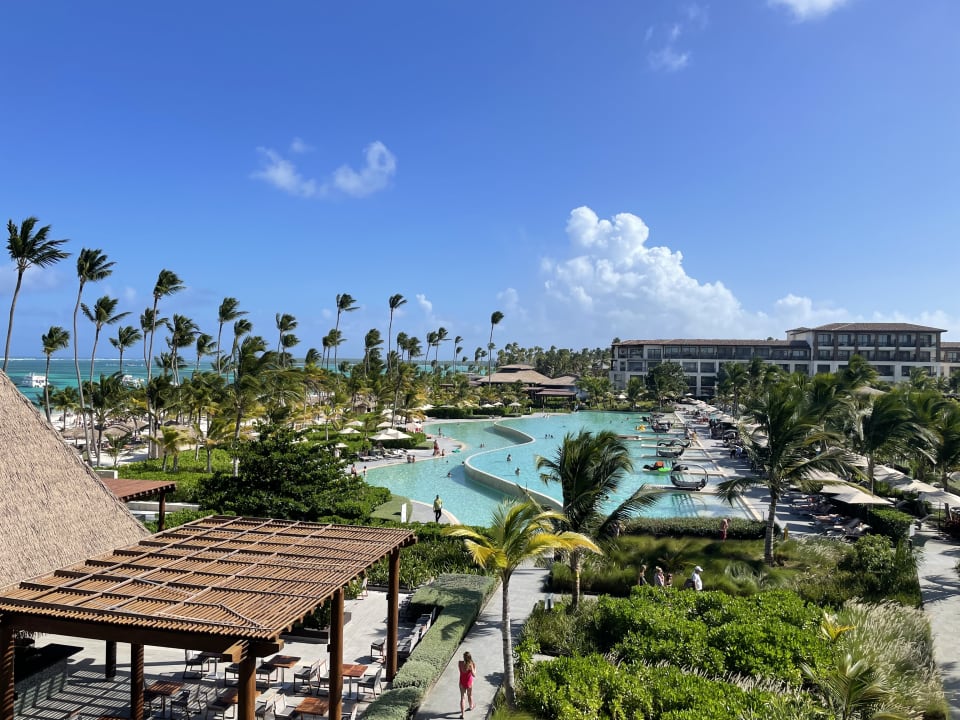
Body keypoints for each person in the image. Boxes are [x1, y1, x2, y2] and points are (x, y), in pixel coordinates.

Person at [458, 651, 477, 717]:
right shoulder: (470, 665)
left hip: (462, 682)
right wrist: (475, 668)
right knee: (470, 695)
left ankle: (463, 714)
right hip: (469, 683)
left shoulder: (460, 663)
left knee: (462, 698)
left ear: (464, 657)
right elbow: (474, 675)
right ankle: (471, 706)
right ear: (469, 658)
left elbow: (461, 671)